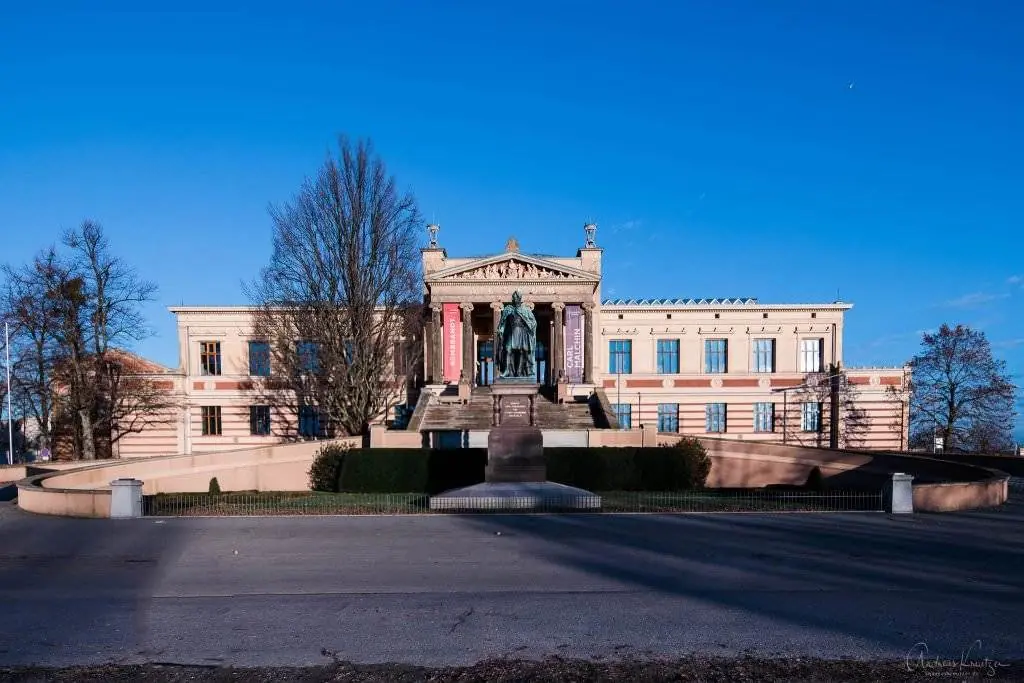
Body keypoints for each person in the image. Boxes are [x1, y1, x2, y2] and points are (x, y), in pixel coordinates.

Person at [496, 291, 537, 379]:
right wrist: (501, 330)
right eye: (514, 298)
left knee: (521, 352)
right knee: (507, 349)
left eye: (517, 298)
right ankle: (506, 371)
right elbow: (503, 323)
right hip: (511, 332)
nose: (515, 300)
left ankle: (519, 372)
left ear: (520, 299)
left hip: (522, 333)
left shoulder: (525, 310)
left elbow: (533, 322)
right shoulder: (508, 309)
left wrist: (529, 327)